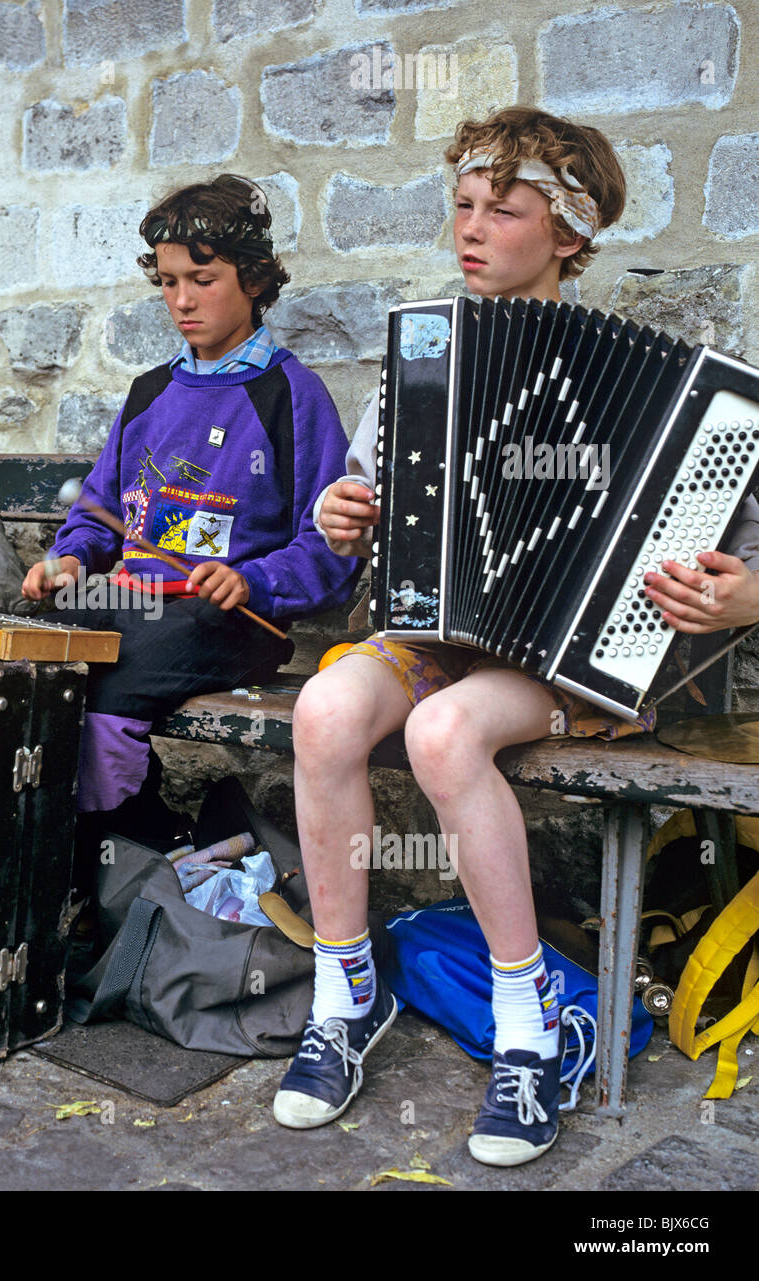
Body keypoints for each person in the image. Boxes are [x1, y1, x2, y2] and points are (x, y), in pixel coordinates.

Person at [275, 106, 759, 1165]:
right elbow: (359, 500)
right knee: (324, 709)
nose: (473, 227)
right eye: (462, 205)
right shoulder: (425, 357)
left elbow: (744, 558)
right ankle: (342, 994)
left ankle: (530, 1031)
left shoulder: (672, 388)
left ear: (570, 235)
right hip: (444, 638)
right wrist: (338, 515)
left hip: (576, 660)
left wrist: (742, 598)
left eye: (505, 209)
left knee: (446, 736)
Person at [22, 174, 360, 845]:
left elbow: (330, 546)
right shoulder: (150, 392)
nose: (182, 299)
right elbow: (97, 510)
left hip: (236, 617)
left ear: (256, 279)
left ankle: (121, 853)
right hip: (137, 598)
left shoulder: (291, 394)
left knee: (116, 677)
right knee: (25, 643)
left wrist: (253, 579)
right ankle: (111, 846)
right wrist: (68, 558)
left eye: (202, 279)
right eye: (169, 282)